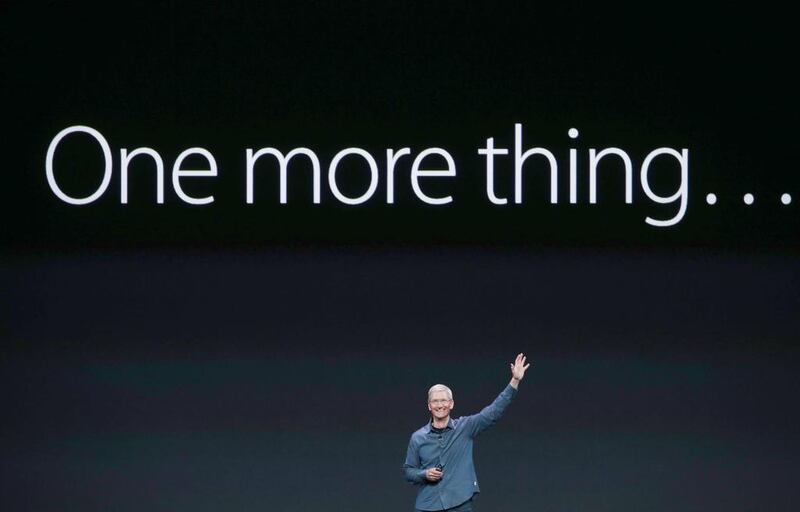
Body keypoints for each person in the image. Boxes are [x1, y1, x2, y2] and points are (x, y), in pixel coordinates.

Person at [403, 353, 531, 511]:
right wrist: (424, 474)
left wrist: (515, 381)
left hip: (460, 504)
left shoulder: (465, 427)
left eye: (443, 400)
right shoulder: (418, 438)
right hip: (428, 505)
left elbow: (493, 412)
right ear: (429, 406)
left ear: (451, 404)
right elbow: (409, 471)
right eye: (435, 401)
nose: (439, 405)